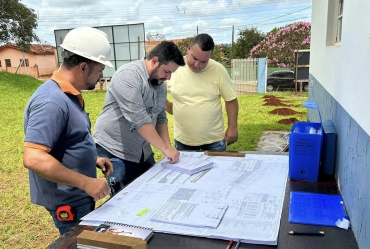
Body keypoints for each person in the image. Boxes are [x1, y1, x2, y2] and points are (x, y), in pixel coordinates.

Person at [23, 27, 114, 235]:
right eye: (100, 70)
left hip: (79, 195)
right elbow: (33, 158)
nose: (101, 76)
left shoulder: (68, 95)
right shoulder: (51, 101)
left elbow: (66, 141)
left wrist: (91, 159)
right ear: (83, 67)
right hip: (69, 202)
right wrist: (86, 182)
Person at [93, 41, 185, 195]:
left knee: (150, 191)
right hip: (115, 149)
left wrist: (168, 146)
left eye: (171, 74)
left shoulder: (160, 82)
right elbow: (139, 120)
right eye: (166, 71)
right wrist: (164, 148)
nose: (168, 77)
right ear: (154, 61)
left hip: (142, 150)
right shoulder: (128, 76)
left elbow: (161, 116)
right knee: (123, 198)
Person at [166, 33, 239, 151]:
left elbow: (231, 100)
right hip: (183, 141)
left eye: (203, 61)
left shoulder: (218, 70)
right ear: (188, 49)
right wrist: (168, 105)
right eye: (194, 58)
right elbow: (160, 95)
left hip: (214, 142)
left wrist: (233, 127)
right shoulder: (174, 68)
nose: (197, 65)